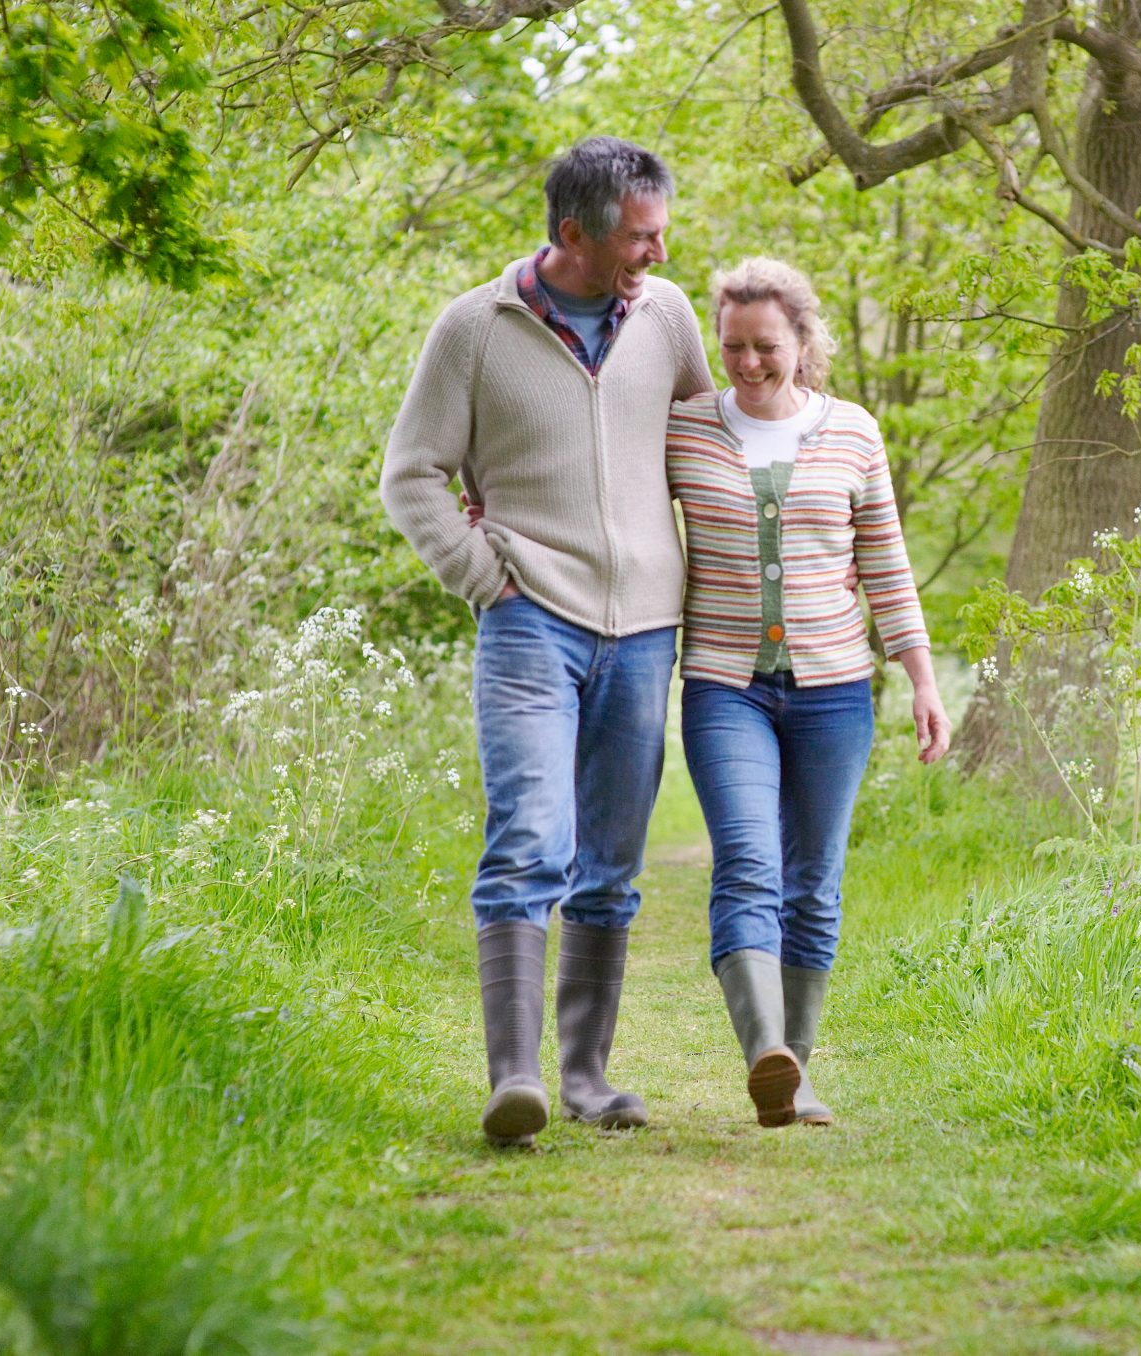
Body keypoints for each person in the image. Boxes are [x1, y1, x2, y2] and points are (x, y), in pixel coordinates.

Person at [380, 137, 713, 1146]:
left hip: (644, 628)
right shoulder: (474, 329)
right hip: (529, 621)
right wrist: (482, 575)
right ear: (574, 233)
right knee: (530, 837)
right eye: (638, 237)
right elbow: (410, 474)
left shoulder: (668, 317)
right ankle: (513, 1079)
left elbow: (704, 443)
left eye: (660, 231)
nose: (656, 253)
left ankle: (586, 1078)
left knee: (610, 862)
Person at [667, 257, 952, 1128]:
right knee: (750, 863)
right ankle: (767, 1055)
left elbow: (887, 567)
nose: (748, 364)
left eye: (766, 347)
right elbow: (601, 491)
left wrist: (922, 678)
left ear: (803, 341)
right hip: (725, 686)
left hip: (835, 692)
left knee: (815, 883)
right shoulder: (683, 428)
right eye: (733, 349)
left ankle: (801, 1069)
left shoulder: (855, 433)